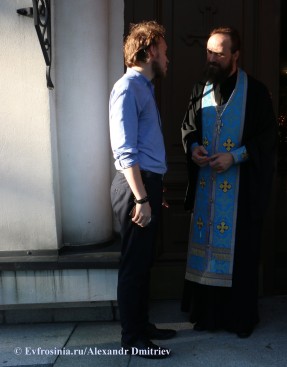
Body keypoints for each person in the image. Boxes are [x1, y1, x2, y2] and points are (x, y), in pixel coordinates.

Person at [180, 26, 278, 338]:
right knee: (206, 250)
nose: (211, 58)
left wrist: (234, 157)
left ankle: (239, 318)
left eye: (219, 54)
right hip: (206, 189)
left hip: (241, 193)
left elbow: (268, 140)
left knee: (239, 256)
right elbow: (188, 126)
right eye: (209, 52)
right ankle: (206, 315)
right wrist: (193, 147)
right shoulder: (200, 88)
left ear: (235, 55)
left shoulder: (257, 93)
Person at [109, 20, 174, 359]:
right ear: (150, 51)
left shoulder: (143, 88)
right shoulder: (128, 87)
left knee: (145, 262)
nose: (168, 59)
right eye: (164, 52)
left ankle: (142, 325)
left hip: (146, 184)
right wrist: (141, 197)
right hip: (135, 187)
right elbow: (125, 150)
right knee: (134, 264)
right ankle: (132, 336)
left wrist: (153, 192)